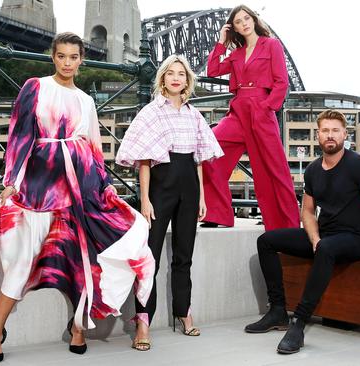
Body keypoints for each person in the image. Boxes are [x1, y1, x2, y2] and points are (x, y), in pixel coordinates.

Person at [0, 32, 155, 364]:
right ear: (53, 57)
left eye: (73, 57)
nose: (66, 62)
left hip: (80, 187)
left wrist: (104, 184)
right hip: (39, 184)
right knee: (23, 260)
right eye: (61, 56)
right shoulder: (35, 86)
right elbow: (20, 135)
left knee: (82, 262)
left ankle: (79, 328)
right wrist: (11, 182)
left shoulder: (85, 101)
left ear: (81, 60)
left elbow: (93, 147)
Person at [244, 110, 360, 354]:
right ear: (318, 135)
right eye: (325, 130)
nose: (330, 135)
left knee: (325, 247)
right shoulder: (313, 170)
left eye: (336, 130)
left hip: (356, 238)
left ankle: (299, 323)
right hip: (325, 236)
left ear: (345, 134)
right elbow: (308, 212)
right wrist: (314, 238)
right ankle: (278, 311)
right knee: (267, 241)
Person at [115, 54, 224, 351]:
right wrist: (146, 200)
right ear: (162, 79)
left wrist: (201, 196)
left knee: (184, 255)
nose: (176, 78)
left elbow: (199, 160)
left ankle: (183, 312)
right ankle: (142, 320)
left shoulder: (193, 114)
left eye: (182, 74)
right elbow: (145, 162)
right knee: (149, 258)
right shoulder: (151, 112)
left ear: (187, 81)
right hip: (160, 187)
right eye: (171, 74)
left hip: (189, 185)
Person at [200, 4, 299, 231]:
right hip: (238, 112)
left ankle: (287, 225)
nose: (244, 23)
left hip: (261, 110)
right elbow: (212, 71)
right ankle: (217, 214)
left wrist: (267, 108)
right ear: (233, 27)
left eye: (246, 18)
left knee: (274, 169)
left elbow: (281, 82)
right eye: (238, 21)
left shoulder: (272, 45)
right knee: (209, 149)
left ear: (253, 20)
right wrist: (221, 42)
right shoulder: (235, 54)